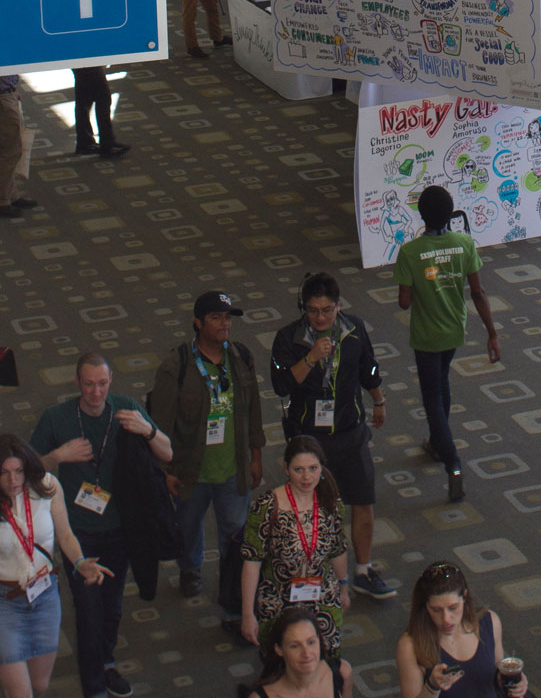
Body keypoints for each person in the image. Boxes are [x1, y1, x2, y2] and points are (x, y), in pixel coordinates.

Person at [30, 353, 172, 698]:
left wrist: (146, 430)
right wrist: (58, 456)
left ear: (111, 382)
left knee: (112, 607)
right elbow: (23, 473)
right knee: (89, 614)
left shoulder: (125, 408)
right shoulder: (56, 418)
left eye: (103, 384)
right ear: (77, 383)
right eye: (89, 384)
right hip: (78, 535)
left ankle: (106, 662)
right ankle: (95, 696)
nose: (96, 392)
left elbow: (167, 452)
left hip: (122, 529)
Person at [270, 272, 395, 599]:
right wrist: (311, 358)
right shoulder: (289, 338)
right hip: (309, 439)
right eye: (312, 311)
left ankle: (363, 572)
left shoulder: (353, 330)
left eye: (327, 310)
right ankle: (309, 578)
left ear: (338, 306)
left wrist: (378, 399)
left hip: (351, 431)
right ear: (304, 309)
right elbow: (281, 384)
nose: (321, 317)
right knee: (310, 509)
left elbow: (369, 367)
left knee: (363, 501)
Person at [149, 291, 264, 625]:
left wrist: (256, 455)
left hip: (233, 468)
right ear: (198, 323)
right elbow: (161, 423)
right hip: (190, 468)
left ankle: (232, 587)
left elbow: (253, 409)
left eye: (227, 318)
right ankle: (191, 567)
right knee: (188, 525)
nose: (224, 324)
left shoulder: (241, 356)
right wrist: (164, 471)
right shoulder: (177, 366)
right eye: (216, 318)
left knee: (234, 533)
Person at [0, 435, 112, 698]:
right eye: (4, 473)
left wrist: (79, 563)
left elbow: (65, 535)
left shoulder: (47, 487)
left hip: (45, 597)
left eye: (18, 471)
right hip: (5, 602)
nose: (13, 480)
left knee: (40, 687)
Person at [394, 186, 501, 502]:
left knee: (431, 398)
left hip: (427, 336)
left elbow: (403, 302)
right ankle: (438, 444)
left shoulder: (410, 253)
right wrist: (492, 333)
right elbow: (478, 293)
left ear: (421, 215)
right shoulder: (465, 243)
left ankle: (452, 462)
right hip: (455, 330)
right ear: (450, 213)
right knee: (442, 382)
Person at [396, 561, 527, 698]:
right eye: (436, 610)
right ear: (425, 607)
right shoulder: (411, 645)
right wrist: (432, 687)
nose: (446, 619)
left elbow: (500, 675)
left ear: (464, 597)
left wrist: (518, 683)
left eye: (452, 607)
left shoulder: (489, 624)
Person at [240, 436, 350, 658]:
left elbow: (337, 550)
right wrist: (247, 614)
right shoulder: (267, 507)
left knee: (326, 667)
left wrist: (344, 588)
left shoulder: (331, 503)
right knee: (281, 668)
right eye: (298, 469)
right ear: (286, 469)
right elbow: (252, 562)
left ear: (321, 467)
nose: (307, 477)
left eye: (313, 468)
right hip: (279, 600)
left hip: (323, 598)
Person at [72, 66, 130, 158]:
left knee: (84, 99)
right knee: (102, 98)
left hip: (80, 59)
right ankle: (106, 144)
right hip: (88, 60)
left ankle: (86, 143)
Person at [0, 75, 36, 219]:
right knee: (9, 151)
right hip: (3, 98)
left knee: (13, 148)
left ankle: (11, 195)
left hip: (8, 94)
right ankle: (2, 200)